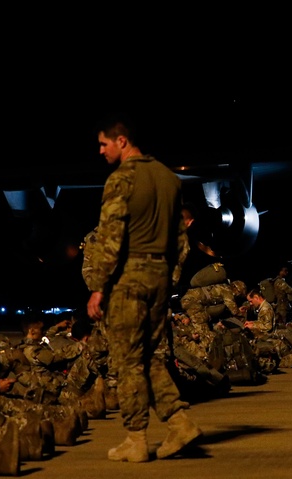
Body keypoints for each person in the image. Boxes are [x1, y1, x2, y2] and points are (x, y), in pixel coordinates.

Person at [85, 115, 201, 462]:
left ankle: (136, 439)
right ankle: (180, 423)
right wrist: (167, 277)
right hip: (160, 278)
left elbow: (110, 238)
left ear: (122, 141)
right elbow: (181, 242)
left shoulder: (121, 179)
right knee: (151, 358)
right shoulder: (168, 178)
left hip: (129, 279)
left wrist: (98, 287)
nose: (101, 151)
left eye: (104, 144)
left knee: (127, 362)